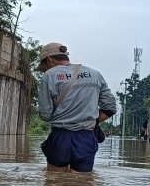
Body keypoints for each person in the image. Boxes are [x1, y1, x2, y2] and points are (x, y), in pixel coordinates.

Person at [37, 42, 117, 173]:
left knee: (54, 185)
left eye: (44, 66)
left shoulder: (49, 76)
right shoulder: (95, 74)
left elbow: (45, 115)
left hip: (60, 138)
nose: (45, 70)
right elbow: (111, 107)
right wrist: (91, 121)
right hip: (86, 138)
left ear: (49, 60)